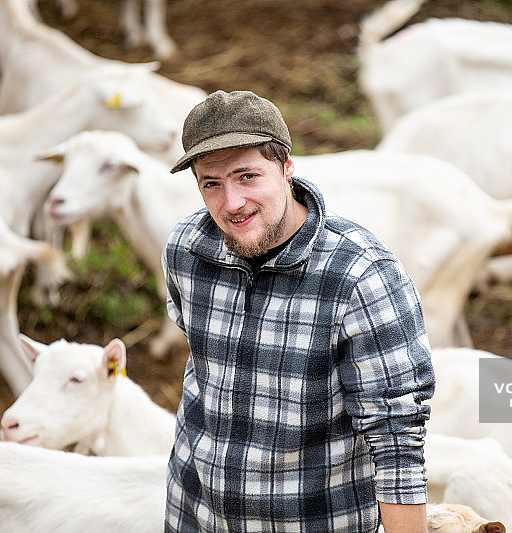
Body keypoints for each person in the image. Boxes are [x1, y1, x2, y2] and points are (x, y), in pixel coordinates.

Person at [161, 89, 435, 533]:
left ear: (287, 169)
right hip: (194, 514)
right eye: (211, 183)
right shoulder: (186, 251)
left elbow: (397, 439)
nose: (231, 203)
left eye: (247, 176)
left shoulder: (361, 275)